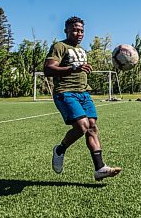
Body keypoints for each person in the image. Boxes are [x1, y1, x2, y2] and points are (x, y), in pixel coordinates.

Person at [44, 16, 121, 181]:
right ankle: (60, 149)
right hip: (65, 92)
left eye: (81, 30)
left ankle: (100, 168)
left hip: (83, 93)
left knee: (92, 127)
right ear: (66, 30)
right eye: (75, 30)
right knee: (82, 126)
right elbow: (48, 69)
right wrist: (72, 68)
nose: (79, 33)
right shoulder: (59, 46)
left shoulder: (82, 50)